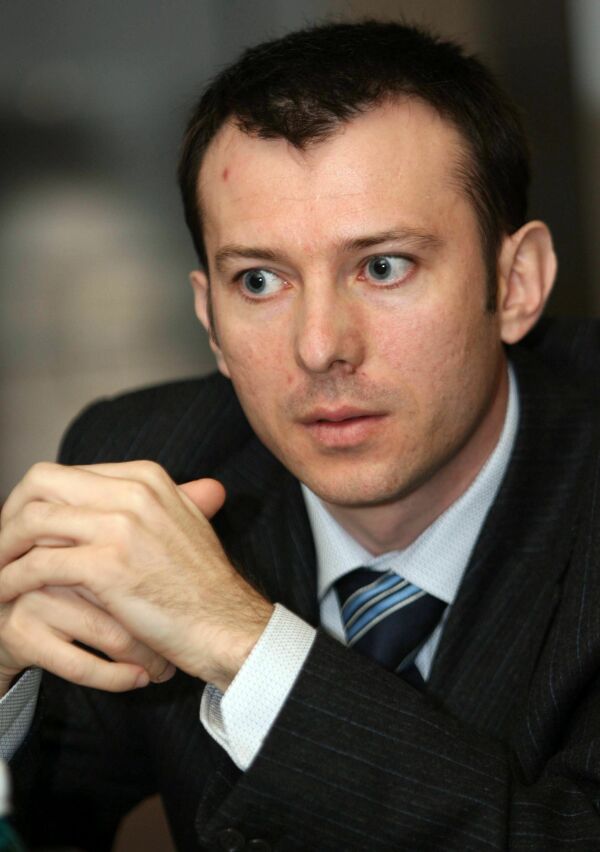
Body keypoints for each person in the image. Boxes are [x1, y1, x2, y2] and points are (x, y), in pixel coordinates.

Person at [0, 18, 599, 851]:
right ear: (209, 318)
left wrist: (243, 644)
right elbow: (47, 816)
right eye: (259, 280)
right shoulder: (151, 460)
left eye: (383, 266)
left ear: (517, 283)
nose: (320, 347)